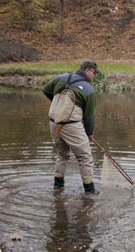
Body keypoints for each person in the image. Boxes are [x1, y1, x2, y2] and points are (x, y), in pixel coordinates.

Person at [43, 60, 100, 194]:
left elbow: (46, 90)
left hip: (54, 123)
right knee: (85, 157)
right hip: (71, 125)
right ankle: (90, 192)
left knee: (62, 155)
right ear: (87, 70)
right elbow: (89, 116)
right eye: (94, 73)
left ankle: (58, 187)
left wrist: (59, 105)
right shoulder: (88, 89)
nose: (95, 76)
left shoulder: (61, 78)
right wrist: (89, 134)